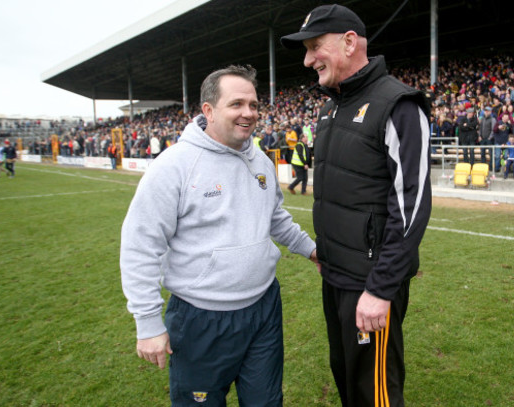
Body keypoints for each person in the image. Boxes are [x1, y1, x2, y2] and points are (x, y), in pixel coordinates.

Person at [120, 65, 318, 406]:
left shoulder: (261, 162)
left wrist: (313, 251)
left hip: (264, 309)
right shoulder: (174, 166)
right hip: (201, 319)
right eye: (237, 104)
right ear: (208, 111)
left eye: (254, 105)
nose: (249, 113)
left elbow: (274, 217)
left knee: (266, 402)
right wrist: (148, 322)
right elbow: (141, 244)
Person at [281, 5, 432, 406]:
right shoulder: (330, 106)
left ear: (350, 42)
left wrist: (381, 288)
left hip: (371, 284)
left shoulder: (398, 104)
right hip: (336, 277)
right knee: (347, 378)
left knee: (374, 393)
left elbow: (411, 206)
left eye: (315, 47)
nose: (308, 60)